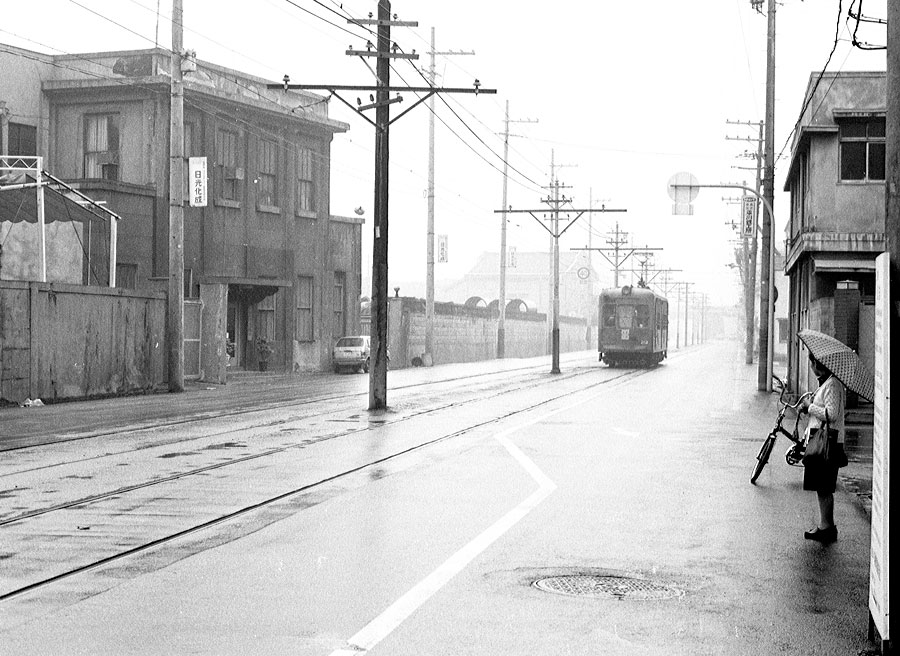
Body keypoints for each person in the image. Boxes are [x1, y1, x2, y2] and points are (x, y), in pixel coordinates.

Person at [798, 355, 848, 544]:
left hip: (828, 442)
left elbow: (831, 414)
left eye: (812, 362)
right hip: (822, 441)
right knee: (821, 486)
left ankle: (827, 528)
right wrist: (810, 406)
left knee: (824, 486)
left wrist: (810, 407)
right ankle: (825, 525)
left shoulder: (832, 384)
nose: (810, 366)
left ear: (818, 364)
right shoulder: (826, 383)